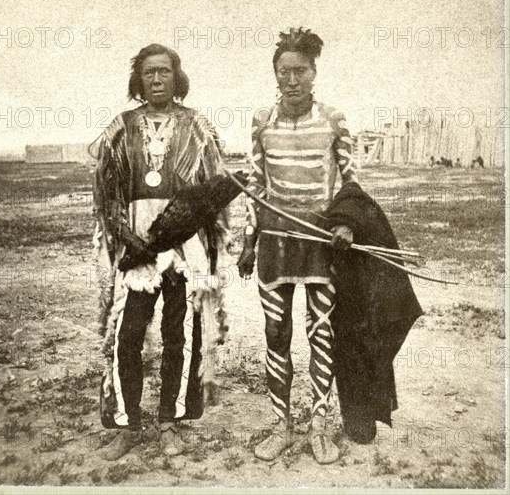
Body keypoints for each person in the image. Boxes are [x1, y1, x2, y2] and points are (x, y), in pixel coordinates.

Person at [92, 44, 228, 460]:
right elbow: (105, 189)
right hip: (136, 250)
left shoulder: (198, 127)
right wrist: (123, 233)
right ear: (139, 79)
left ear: (176, 77)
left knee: (178, 333)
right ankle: (127, 423)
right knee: (127, 334)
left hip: (183, 249)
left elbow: (215, 190)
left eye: (164, 72)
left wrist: (197, 238)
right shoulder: (120, 127)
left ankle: (170, 420)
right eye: (149, 73)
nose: (156, 80)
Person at [237, 28, 358, 464]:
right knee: (275, 333)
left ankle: (319, 425)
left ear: (313, 73)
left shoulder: (333, 120)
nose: (292, 80)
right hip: (274, 243)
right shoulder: (261, 122)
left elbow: (352, 183)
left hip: (321, 243)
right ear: (275, 74)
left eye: (300, 71)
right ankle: (280, 425)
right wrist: (247, 242)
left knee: (321, 332)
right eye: (284, 72)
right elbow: (254, 184)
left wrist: (345, 225)